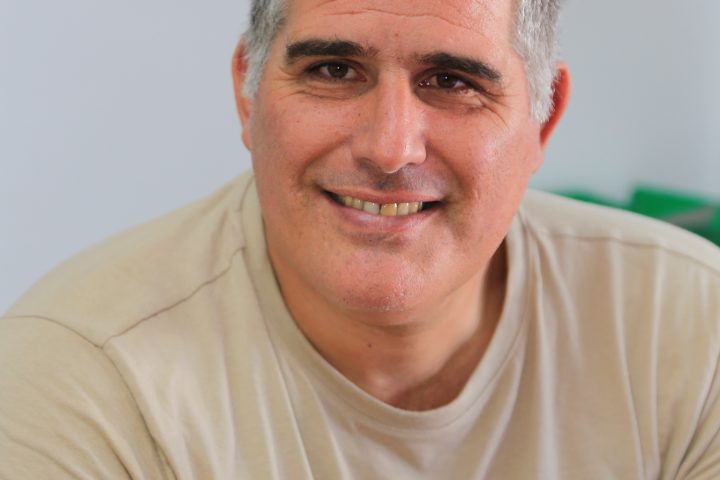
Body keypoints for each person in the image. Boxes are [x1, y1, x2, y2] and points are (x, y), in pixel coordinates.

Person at [2, 0, 719, 477]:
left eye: (452, 80)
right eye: (334, 70)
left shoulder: (694, 327)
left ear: (543, 120)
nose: (389, 147)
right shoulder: (80, 379)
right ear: (247, 94)